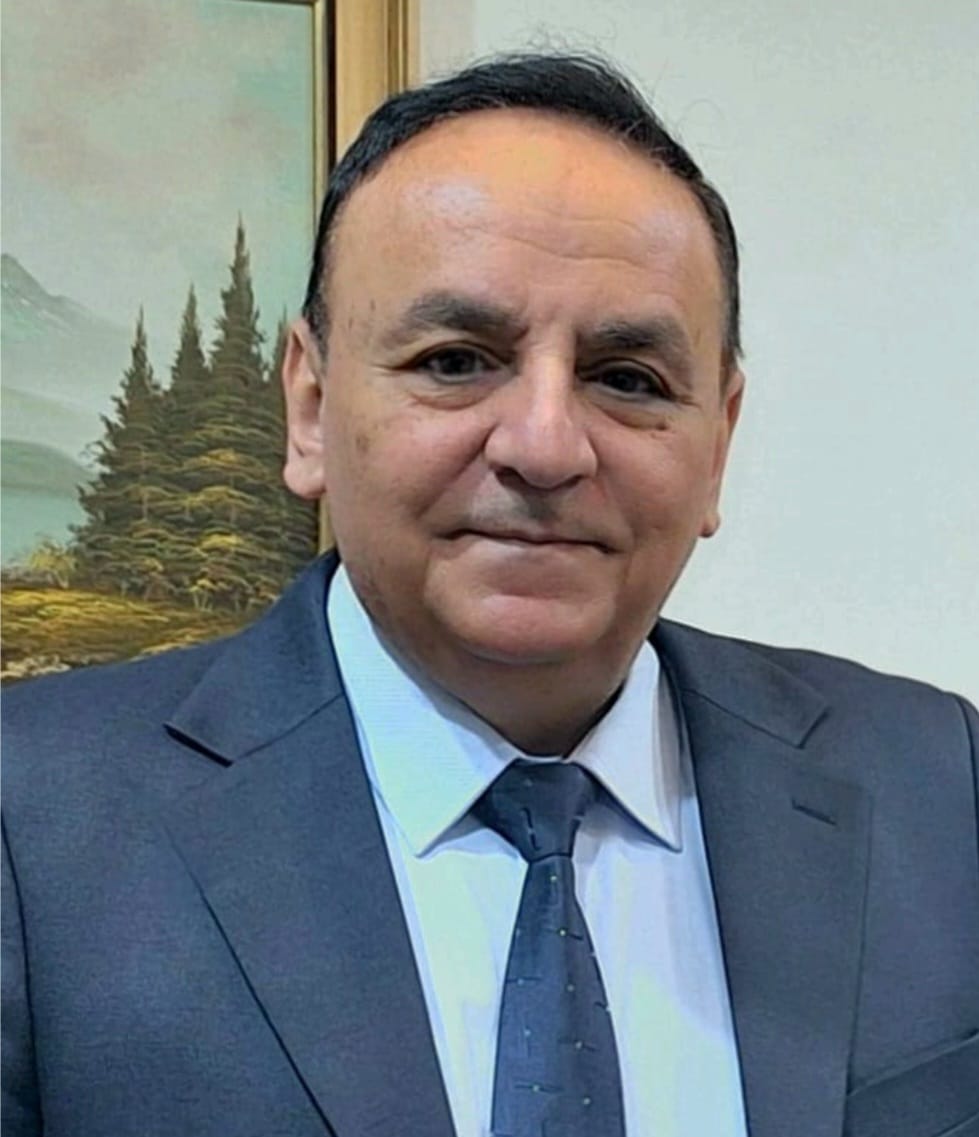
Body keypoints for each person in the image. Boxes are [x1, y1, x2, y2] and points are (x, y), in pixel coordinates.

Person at [2, 53, 977, 1137]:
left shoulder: (935, 785)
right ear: (311, 408)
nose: (545, 446)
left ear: (717, 444)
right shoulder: (31, 821)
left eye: (627, 380)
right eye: (457, 361)